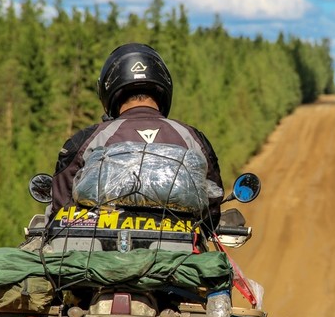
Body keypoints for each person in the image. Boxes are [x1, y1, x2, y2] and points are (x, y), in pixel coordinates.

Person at [48, 43, 224, 230]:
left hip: (100, 255)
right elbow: (212, 208)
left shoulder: (89, 139)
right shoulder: (191, 137)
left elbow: (61, 210)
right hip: (182, 253)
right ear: (164, 85)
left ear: (108, 88)